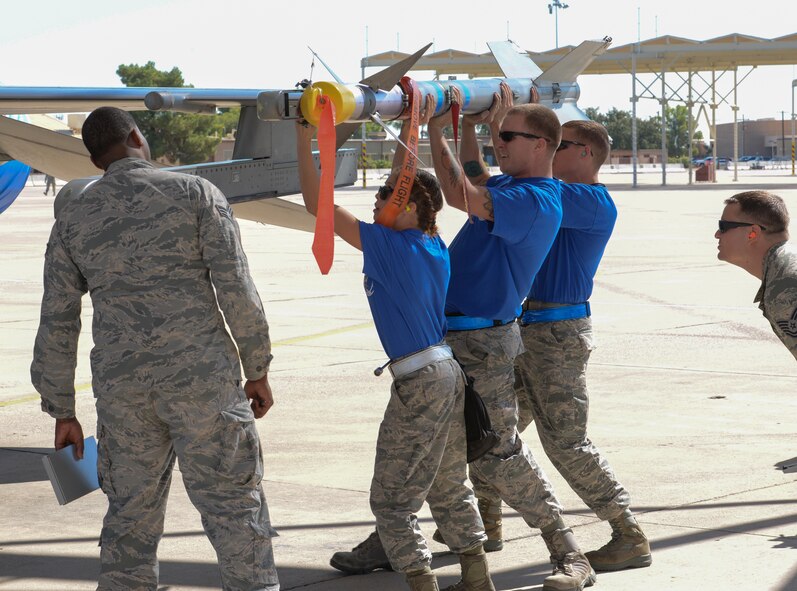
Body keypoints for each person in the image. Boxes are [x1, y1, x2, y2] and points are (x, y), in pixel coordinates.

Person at [30, 106, 279, 591]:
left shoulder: (74, 214)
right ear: (136, 136)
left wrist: (62, 409)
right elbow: (236, 288)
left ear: (95, 157)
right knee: (234, 513)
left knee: (129, 521)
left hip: (125, 396)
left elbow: (57, 318)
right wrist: (257, 368)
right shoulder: (195, 194)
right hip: (202, 386)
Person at [295, 101, 495, 591]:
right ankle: (475, 574)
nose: (376, 201)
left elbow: (314, 201)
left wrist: (305, 136)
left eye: (385, 194)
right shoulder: (431, 245)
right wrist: (408, 125)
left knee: (392, 500)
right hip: (446, 374)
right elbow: (407, 180)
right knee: (447, 482)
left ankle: (420, 579)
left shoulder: (390, 246)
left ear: (407, 205)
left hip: (421, 380)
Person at [459, 100, 652, 572]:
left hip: (558, 334)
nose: (545, 154)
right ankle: (487, 524)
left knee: (566, 441)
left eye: (556, 145)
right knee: (487, 433)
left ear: (583, 153)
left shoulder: (583, 200)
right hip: (529, 329)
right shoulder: (546, 190)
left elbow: (486, 189)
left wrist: (491, 138)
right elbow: (480, 178)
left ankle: (628, 534)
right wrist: (477, 128)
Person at [715, 190, 796, 358]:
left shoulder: (783, 288)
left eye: (723, 227)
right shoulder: (786, 264)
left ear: (753, 233)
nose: (717, 234)